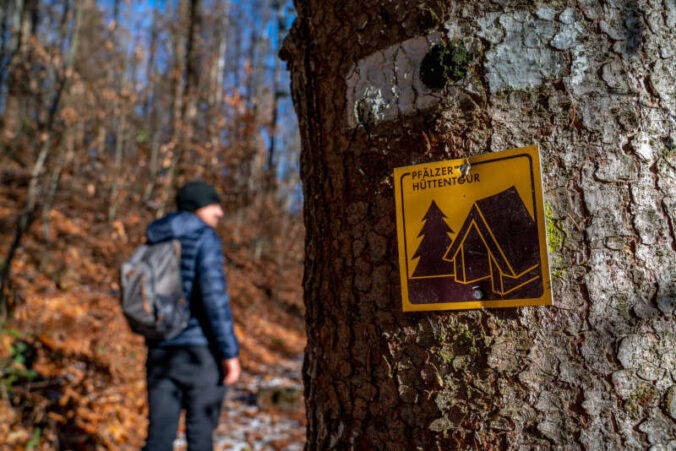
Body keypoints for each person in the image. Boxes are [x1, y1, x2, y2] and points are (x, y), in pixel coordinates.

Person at [142, 181, 240, 451]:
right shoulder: (203, 237)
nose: (220, 212)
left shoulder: (155, 236)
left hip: (160, 351)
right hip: (199, 354)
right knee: (199, 437)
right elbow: (213, 299)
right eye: (214, 205)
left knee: (158, 438)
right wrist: (229, 354)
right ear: (199, 206)